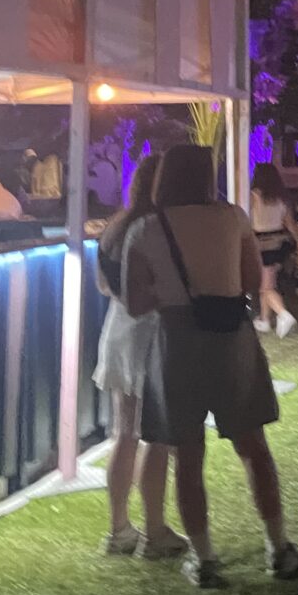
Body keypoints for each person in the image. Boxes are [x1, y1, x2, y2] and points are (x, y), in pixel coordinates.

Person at [123, 144, 298, 586]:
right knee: (253, 447)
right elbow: (251, 280)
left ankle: (204, 558)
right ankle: (278, 547)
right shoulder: (232, 218)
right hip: (231, 338)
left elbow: (135, 302)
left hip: (176, 343)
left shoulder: (146, 228)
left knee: (187, 455)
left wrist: (170, 292)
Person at [92, 155, 187, 560]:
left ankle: (118, 529)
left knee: (125, 433)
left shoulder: (114, 228)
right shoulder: (159, 230)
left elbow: (103, 285)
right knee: (157, 436)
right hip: (152, 333)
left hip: (118, 331)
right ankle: (155, 530)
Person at [250, 162, 298, 338]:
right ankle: (264, 320)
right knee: (268, 283)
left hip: (261, 243)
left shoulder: (253, 196)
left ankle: (283, 315)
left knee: (266, 287)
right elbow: (290, 223)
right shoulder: (282, 198)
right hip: (279, 243)